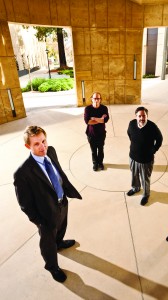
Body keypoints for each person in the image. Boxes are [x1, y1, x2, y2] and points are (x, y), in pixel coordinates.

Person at [14, 126, 82, 283]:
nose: (42, 147)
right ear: (28, 146)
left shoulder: (51, 151)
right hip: (45, 215)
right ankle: (52, 267)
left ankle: (59, 243)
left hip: (61, 202)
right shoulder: (22, 173)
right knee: (47, 243)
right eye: (36, 144)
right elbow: (25, 204)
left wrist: (64, 194)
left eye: (43, 141)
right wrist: (39, 221)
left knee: (62, 227)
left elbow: (57, 172)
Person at [127, 106, 163, 206]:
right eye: (140, 116)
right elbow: (129, 134)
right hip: (133, 157)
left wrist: (153, 150)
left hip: (146, 160)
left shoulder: (152, 127)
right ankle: (136, 188)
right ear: (136, 116)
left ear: (147, 116)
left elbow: (159, 139)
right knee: (134, 175)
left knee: (145, 178)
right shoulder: (131, 124)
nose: (142, 118)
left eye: (144, 116)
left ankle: (146, 194)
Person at [84, 92, 109, 171]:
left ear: (100, 99)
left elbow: (106, 120)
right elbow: (87, 121)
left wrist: (94, 118)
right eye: (95, 98)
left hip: (101, 133)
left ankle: (100, 163)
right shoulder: (88, 109)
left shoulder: (104, 108)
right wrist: (100, 119)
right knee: (93, 151)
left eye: (98, 98)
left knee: (101, 149)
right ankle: (95, 163)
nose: (96, 100)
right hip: (91, 134)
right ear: (91, 99)